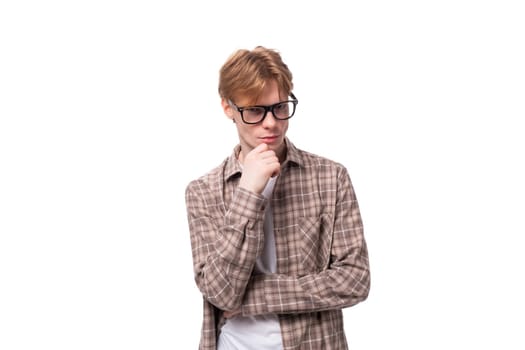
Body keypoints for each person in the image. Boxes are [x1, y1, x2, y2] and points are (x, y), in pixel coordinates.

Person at [185, 46, 370, 350]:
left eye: (280, 107)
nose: (271, 122)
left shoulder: (330, 177)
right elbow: (219, 294)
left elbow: (355, 280)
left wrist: (251, 299)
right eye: (255, 110)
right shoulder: (202, 192)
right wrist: (248, 193)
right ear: (228, 108)